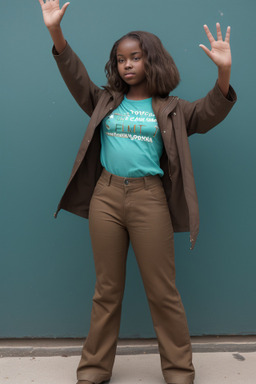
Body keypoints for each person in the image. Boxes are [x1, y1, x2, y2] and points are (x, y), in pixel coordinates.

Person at [38, 1, 237, 383]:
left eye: (136, 57)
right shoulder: (105, 101)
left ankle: (179, 370)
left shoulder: (173, 109)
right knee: (106, 291)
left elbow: (210, 112)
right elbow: (76, 76)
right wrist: (56, 33)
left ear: (152, 61)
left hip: (150, 200)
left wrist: (224, 73)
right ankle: (94, 370)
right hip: (106, 198)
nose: (127, 64)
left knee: (163, 292)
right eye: (121, 59)